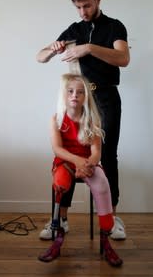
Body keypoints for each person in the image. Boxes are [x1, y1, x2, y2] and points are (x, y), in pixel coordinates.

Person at [36, 0, 130, 240]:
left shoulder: (114, 27)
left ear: (98, 0)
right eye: (78, 7)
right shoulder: (74, 28)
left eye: (87, 6)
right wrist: (53, 49)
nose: (82, 12)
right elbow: (40, 57)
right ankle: (60, 219)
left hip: (107, 98)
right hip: (79, 100)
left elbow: (123, 58)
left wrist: (88, 48)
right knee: (69, 155)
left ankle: (112, 217)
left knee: (107, 154)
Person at [38, 73, 123, 267]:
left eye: (80, 92)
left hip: (88, 163)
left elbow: (96, 153)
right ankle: (57, 232)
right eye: (70, 91)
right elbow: (57, 149)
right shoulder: (56, 119)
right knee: (60, 183)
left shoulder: (93, 119)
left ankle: (105, 237)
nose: (74, 95)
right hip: (65, 162)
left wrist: (88, 165)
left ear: (86, 97)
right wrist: (77, 162)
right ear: (64, 95)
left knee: (102, 183)